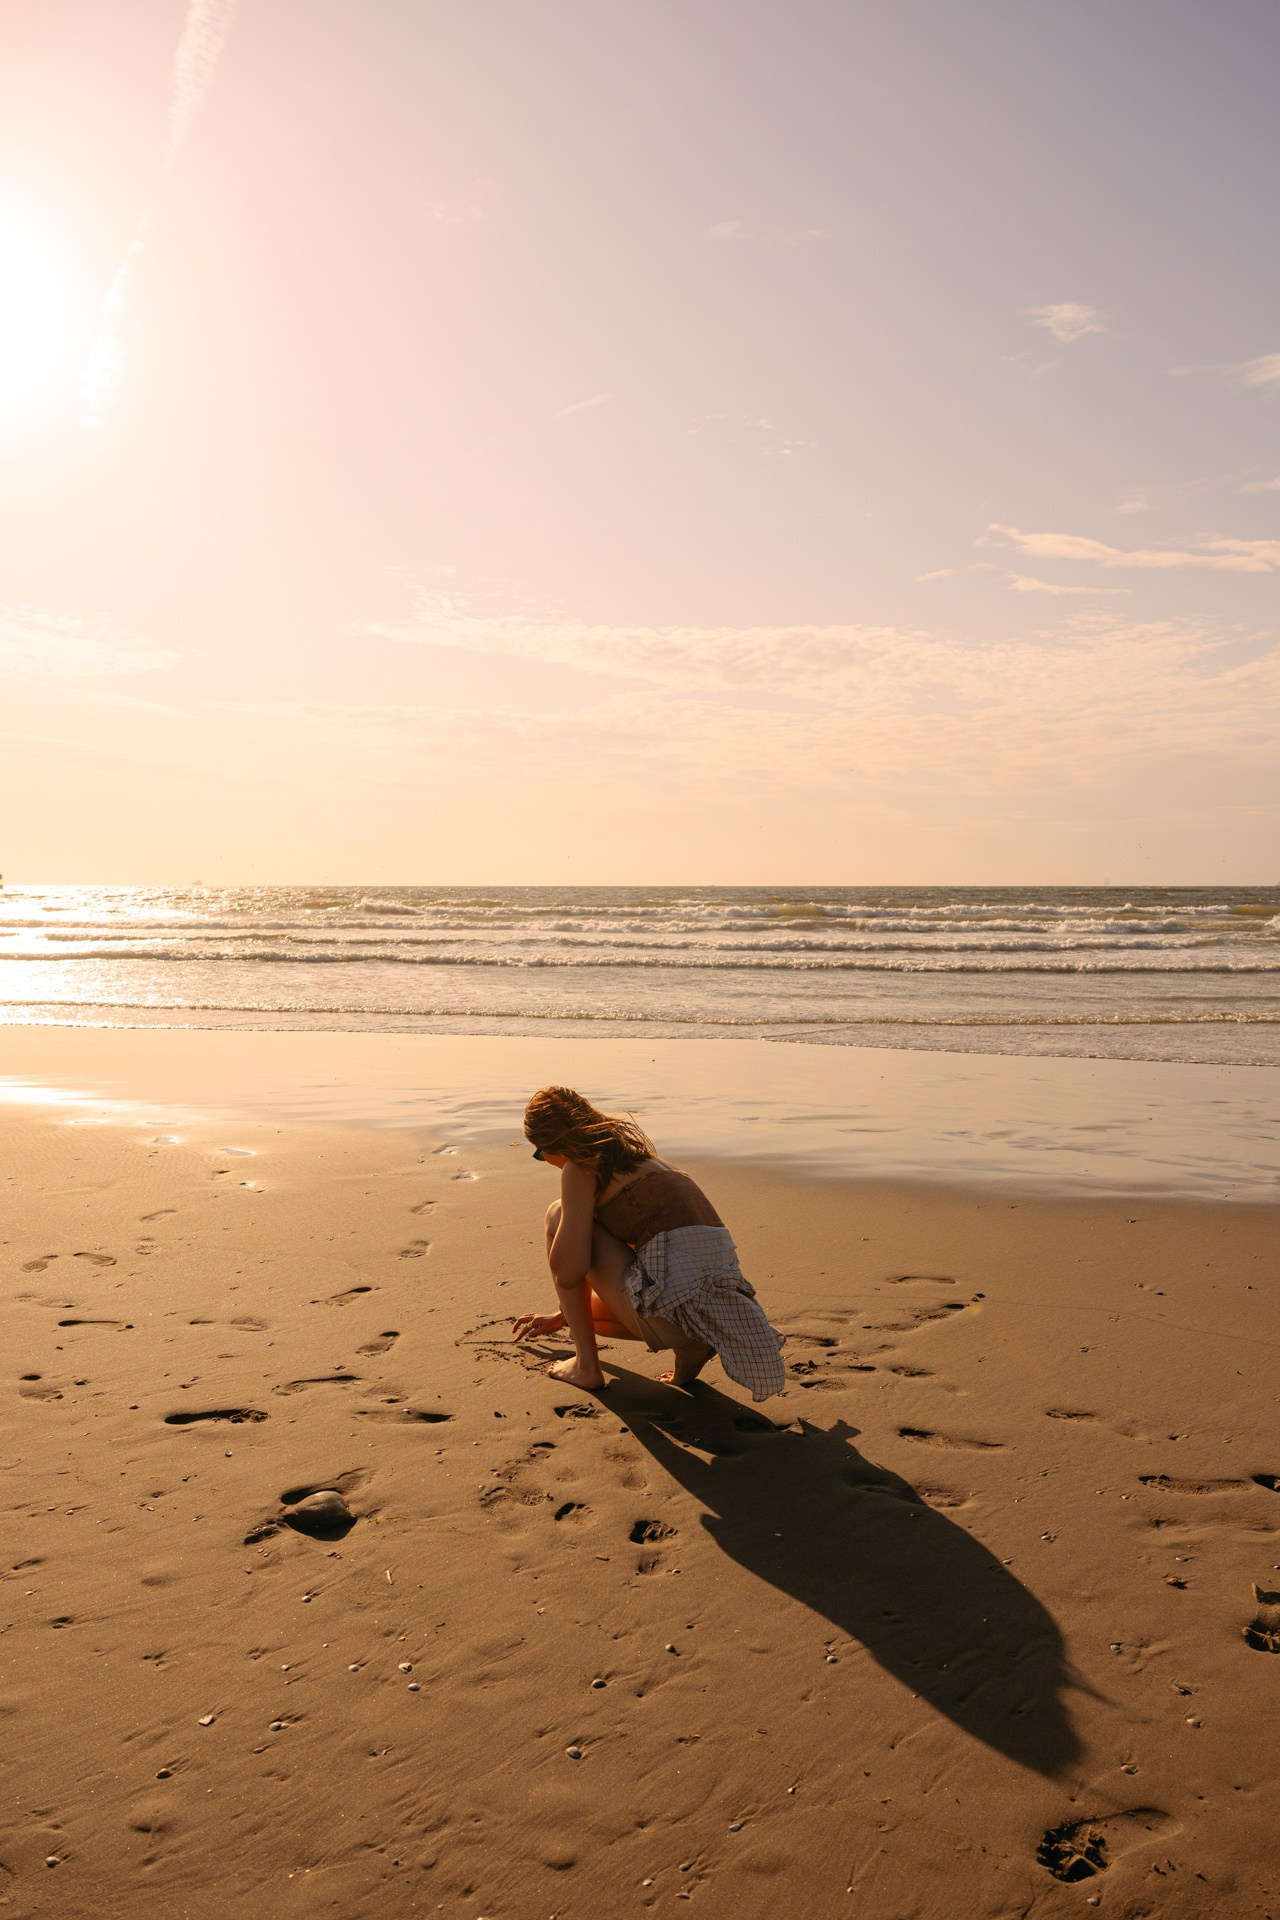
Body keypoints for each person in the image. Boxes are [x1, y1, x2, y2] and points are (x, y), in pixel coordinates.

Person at [513, 1086, 786, 1401]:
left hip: (668, 1317)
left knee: (558, 1213)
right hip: (717, 1316)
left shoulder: (581, 1167)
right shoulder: (652, 1165)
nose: (546, 1160)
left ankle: (586, 1365)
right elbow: (659, 1256)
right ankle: (690, 1351)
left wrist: (572, 1209)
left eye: (540, 1152)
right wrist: (566, 1313)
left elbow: (568, 1273)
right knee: (591, 1314)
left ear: (554, 1144)